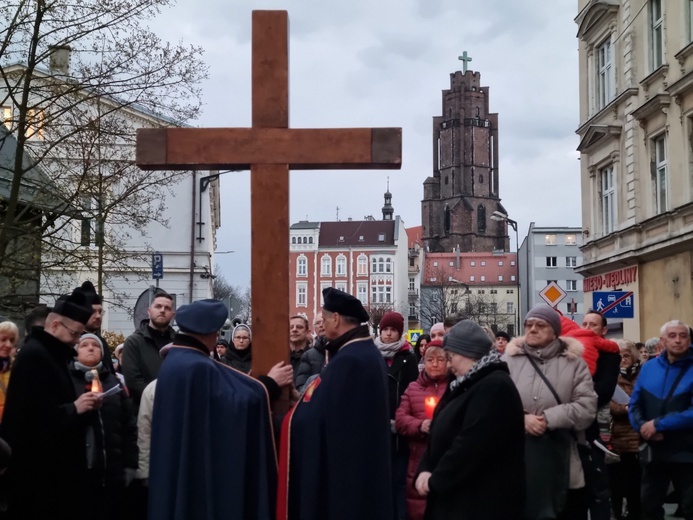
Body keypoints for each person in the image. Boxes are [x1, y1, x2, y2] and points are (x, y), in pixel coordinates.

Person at [148, 299, 278, 520]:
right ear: (207, 333)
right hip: (195, 473)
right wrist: (269, 385)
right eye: (216, 332)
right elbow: (230, 408)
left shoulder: (177, 359)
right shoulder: (195, 366)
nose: (217, 337)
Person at [277, 287, 393, 520]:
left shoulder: (350, 360)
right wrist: (300, 401)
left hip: (346, 481)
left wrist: (290, 415)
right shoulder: (361, 353)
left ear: (336, 319)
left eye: (325, 317)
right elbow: (334, 408)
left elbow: (328, 421)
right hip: (358, 474)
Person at [2, 288, 100, 519]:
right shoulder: (35, 355)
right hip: (37, 475)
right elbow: (30, 420)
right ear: (55, 325)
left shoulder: (51, 353)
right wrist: (75, 408)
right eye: (75, 334)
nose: (77, 342)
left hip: (52, 471)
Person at [414, 320, 525, 519]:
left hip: (480, 503)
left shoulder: (495, 386)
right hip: (455, 498)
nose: (447, 364)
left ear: (469, 353)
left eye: (450, 357)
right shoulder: (463, 383)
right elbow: (438, 431)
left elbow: (473, 443)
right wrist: (424, 468)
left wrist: (436, 479)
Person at [503, 304, 597, 520]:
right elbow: (495, 405)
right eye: (528, 325)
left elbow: (586, 407)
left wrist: (549, 419)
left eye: (540, 325)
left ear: (555, 331)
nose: (532, 329)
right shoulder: (508, 362)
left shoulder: (575, 364)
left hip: (562, 457)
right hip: (519, 456)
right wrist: (522, 419)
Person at [629, 320, 693, 520]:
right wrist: (641, 426)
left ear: (689, 340)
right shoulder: (649, 368)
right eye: (672, 336)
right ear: (662, 342)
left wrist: (657, 424)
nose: (678, 340)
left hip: (687, 453)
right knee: (649, 507)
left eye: (683, 336)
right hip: (654, 452)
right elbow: (634, 404)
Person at [69, 333, 137, 520]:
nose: (91, 348)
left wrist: (131, 465)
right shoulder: (66, 380)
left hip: (112, 473)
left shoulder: (114, 383)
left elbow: (129, 427)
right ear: (76, 352)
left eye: (95, 345)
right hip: (76, 476)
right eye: (84, 345)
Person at [395, 343, 448, 520]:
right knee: (419, 509)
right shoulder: (413, 388)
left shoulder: (454, 387)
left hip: (447, 458)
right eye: (430, 360)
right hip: (418, 458)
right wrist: (420, 425)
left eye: (440, 360)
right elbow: (401, 419)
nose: (434, 364)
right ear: (423, 362)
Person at [377, 310, 419, 520]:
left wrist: (404, 419)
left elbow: (413, 390)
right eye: (385, 329)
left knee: (399, 480)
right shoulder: (373, 355)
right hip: (377, 428)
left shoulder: (408, 358)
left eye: (393, 330)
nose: (388, 334)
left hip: (400, 430)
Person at [122, 290, 176, 411]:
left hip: (174, 411)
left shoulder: (178, 343)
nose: (162, 310)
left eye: (167, 308)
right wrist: (163, 398)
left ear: (173, 314)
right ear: (149, 311)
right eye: (158, 306)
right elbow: (134, 382)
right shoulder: (134, 342)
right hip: (144, 412)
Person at [607, 339, 642, 520]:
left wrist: (634, 407)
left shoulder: (642, 374)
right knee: (616, 485)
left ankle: (634, 513)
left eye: (627, 355)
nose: (623, 359)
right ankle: (617, 513)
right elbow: (610, 405)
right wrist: (626, 409)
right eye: (619, 356)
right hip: (617, 438)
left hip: (639, 437)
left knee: (635, 484)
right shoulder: (611, 376)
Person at [295, 317, 327, 392]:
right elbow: (302, 389)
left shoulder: (344, 349)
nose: (321, 325)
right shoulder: (309, 355)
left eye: (323, 321)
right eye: (317, 323)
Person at [0, 321, 18, 421]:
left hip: (10, 426)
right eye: (3, 339)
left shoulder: (17, 365)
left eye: (11, 340)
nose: (8, 344)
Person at [289, 315, 311, 384]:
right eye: (290, 327)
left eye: (299, 327)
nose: (294, 330)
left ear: (307, 332)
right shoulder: (279, 355)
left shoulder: (313, 356)